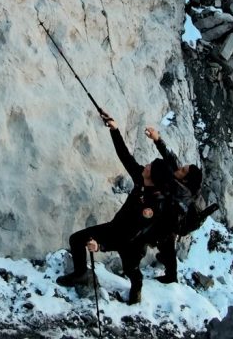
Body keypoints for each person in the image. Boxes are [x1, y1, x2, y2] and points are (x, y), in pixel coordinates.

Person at [57, 114, 179, 305]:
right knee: (77, 239)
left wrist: (101, 246)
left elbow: (128, 235)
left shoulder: (152, 206)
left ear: (153, 177)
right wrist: (115, 130)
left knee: (131, 270)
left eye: (149, 167)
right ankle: (80, 274)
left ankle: (136, 288)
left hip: (132, 241)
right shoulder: (143, 180)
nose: (145, 166)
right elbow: (125, 157)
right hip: (116, 228)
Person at [144, 125, 204, 283]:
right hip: (169, 216)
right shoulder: (183, 181)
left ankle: (170, 275)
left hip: (169, 220)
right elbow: (172, 160)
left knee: (165, 241)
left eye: (183, 171)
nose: (179, 169)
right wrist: (157, 139)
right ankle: (170, 273)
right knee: (167, 246)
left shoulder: (181, 190)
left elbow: (167, 173)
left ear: (185, 179)